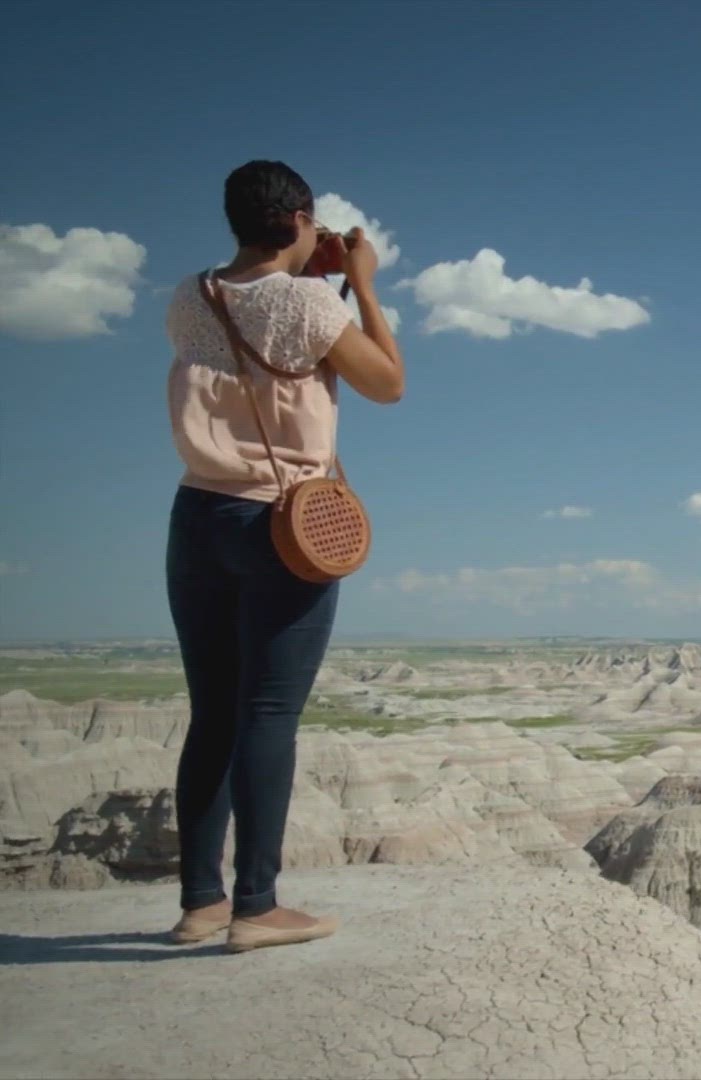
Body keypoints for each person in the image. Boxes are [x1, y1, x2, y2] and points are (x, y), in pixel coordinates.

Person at [163, 160, 404, 952]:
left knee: (213, 713)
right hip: (280, 526)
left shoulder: (190, 297)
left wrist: (307, 270)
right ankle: (257, 907)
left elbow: (251, 341)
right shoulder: (307, 303)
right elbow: (387, 384)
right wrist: (359, 282)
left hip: (197, 515)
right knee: (269, 713)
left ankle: (200, 901)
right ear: (300, 218)